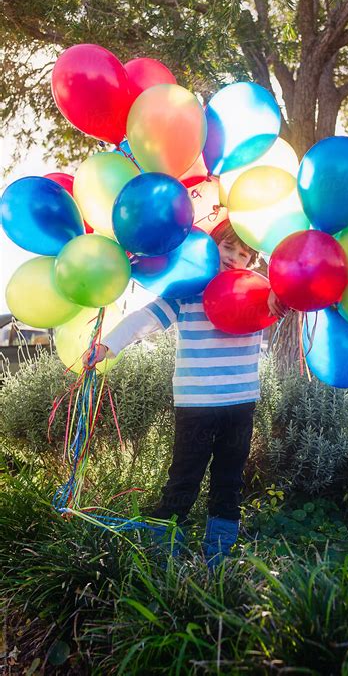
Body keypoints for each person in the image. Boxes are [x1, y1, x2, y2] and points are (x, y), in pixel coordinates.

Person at [82, 220, 288, 569]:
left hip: (240, 404)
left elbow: (285, 297)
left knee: (229, 482)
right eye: (228, 247)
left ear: (251, 262)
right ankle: (160, 555)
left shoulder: (261, 292)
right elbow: (143, 320)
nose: (234, 257)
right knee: (183, 481)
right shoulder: (188, 290)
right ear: (211, 245)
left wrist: (276, 296)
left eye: (244, 253)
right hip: (196, 405)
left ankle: (218, 560)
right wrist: (108, 346)